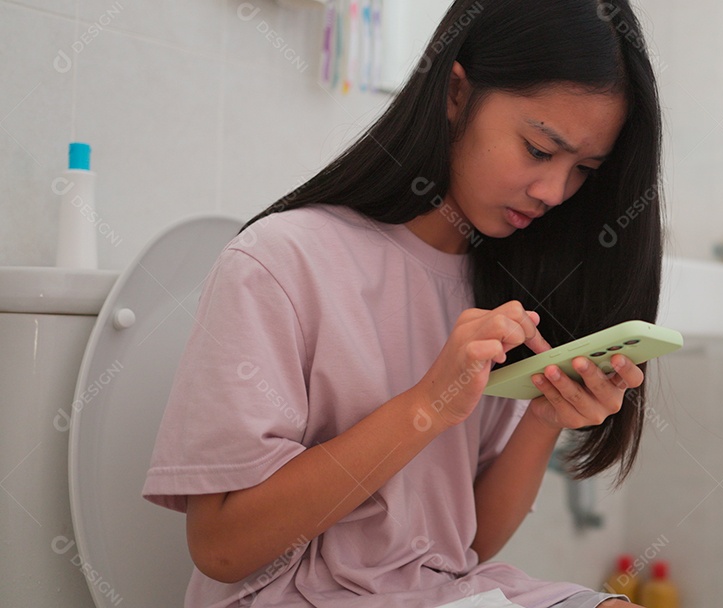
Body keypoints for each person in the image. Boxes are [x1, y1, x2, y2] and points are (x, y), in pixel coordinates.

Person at [141, 0, 665, 606]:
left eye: (584, 171)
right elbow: (222, 550)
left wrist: (545, 415)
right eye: (540, 151)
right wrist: (427, 406)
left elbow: (463, 549)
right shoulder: (280, 261)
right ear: (455, 93)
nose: (553, 192)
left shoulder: (501, 287)